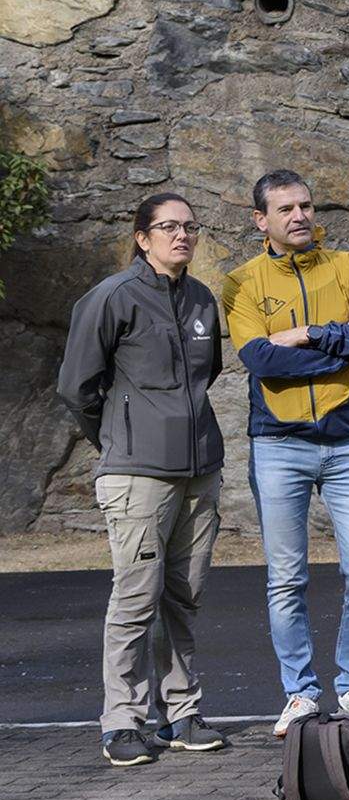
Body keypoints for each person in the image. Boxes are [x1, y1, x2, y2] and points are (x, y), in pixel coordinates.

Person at [223, 170, 349, 739]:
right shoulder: (242, 283)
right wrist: (341, 341)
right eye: (286, 209)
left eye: (306, 206)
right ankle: (299, 693)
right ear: (261, 220)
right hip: (277, 444)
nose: (300, 216)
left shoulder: (347, 267)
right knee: (286, 577)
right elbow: (263, 363)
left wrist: (306, 335)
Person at [58, 193, 228, 767]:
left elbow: (207, 378)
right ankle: (122, 722)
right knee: (136, 598)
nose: (182, 235)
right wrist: (116, 440)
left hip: (200, 471)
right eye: (168, 227)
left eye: (190, 226)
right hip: (135, 474)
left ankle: (181, 712)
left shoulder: (203, 299)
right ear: (142, 236)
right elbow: (77, 387)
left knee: (184, 596)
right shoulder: (111, 298)